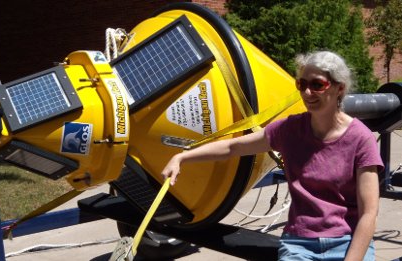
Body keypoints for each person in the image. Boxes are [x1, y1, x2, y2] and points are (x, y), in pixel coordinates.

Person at [161, 50, 383, 260]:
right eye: (302, 84)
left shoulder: (361, 139)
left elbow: (368, 213)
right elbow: (233, 148)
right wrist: (182, 156)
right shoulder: (289, 130)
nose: (307, 92)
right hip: (300, 244)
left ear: (339, 88)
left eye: (317, 85)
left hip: (347, 242)